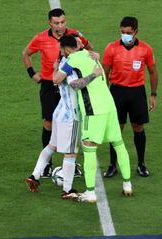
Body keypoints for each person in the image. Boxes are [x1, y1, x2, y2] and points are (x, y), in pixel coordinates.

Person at [54, 35, 133, 203]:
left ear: (66, 49)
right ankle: (127, 185)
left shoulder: (72, 59)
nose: (62, 53)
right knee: (119, 144)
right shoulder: (91, 55)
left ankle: (90, 192)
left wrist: (59, 68)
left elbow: (63, 82)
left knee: (89, 149)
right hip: (110, 106)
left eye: (62, 50)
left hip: (93, 110)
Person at [22, 8, 93, 177]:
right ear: (49, 23)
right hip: (49, 84)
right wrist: (32, 73)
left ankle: (70, 165)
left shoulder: (75, 36)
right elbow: (26, 54)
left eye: (62, 22)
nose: (60, 26)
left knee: (73, 124)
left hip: (70, 85)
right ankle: (47, 165)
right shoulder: (40, 38)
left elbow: (90, 50)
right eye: (56, 23)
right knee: (48, 123)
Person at [25, 37, 98, 199]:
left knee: (52, 146)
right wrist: (93, 75)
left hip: (59, 111)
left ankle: (34, 176)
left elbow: (55, 78)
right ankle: (67, 189)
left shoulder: (62, 60)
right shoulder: (71, 64)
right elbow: (75, 84)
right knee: (71, 153)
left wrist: (93, 54)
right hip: (71, 115)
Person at [102, 16, 158, 177]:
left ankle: (141, 164)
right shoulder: (112, 48)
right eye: (122, 32)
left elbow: (153, 72)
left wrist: (153, 94)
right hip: (117, 92)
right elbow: (104, 72)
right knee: (116, 129)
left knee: (138, 128)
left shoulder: (145, 49)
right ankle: (113, 165)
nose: (125, 35)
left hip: (137, 93)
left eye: (128, 32)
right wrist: (105, 95)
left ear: (136, 32)